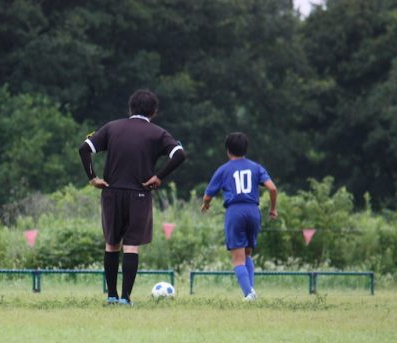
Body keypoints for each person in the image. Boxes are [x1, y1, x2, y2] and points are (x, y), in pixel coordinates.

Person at [78, 89, 186, 305]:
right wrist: (159, 176)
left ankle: (111, 296)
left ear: (130, 108)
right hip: (139, 194)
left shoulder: (112, 127)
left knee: (112, 244)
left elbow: (84, 149)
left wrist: (93, 178)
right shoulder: (158, 133)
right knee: (131, 246)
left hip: (111, 192)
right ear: (154, 112)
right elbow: (179, 154)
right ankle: (126, 298)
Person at [201, 132, 277, 301]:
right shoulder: (256, 167)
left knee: (237, 259)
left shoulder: (223, 169)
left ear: (228, 150)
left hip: (235, 211)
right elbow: (272, 188)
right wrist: (273, 209)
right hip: (253, 211)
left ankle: (249, 294)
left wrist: (206, 204)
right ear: (246, 149)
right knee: (247, 253)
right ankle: (251, 291)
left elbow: (208, 195)